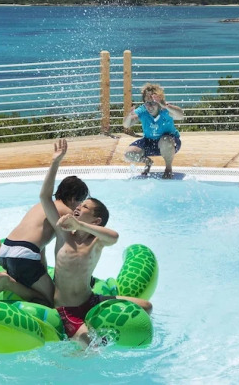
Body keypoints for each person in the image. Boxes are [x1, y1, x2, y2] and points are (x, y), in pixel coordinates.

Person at [40, 138, 152, 345]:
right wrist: (55, 162)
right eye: (79, 205)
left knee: (146, 306)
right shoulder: (63, 234)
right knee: (89, 344)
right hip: (66, 308)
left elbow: (114, 237)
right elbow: (45, 198)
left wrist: (80, 225)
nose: (78, 207)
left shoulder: (97, 241)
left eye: (84, 207)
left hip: (91, 300)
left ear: (96, 221)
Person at [0, 170, 89, 306]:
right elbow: (63, 248)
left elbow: (40, 248)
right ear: (73, 198)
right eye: (80, 202)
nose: (78, 208)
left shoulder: (40, 206)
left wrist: (43, 274)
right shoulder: (66, 213)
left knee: (29, 280)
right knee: (50, 301)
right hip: (24, 256)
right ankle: (7, 283)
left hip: (6, 250)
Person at [123, 82, 184, 179]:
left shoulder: (165, 109)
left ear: (159, 101)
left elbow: (181, 115)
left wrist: (166, 105)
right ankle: (148, 162)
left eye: (153, 103)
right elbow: (126, 125)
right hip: (149, 142)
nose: (150, 106)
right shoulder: (143, 110)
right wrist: (129, 116)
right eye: (147, 103)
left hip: (170, 143)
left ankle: (168, 168)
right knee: (129, 154)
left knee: (165, 140)